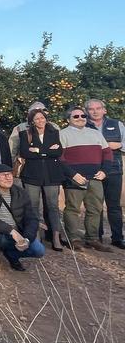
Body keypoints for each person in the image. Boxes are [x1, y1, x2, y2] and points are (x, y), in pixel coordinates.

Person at [0, 164, 45, 283]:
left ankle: (12, 255)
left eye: (10, 174)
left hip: (16, 234)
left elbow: (31, 218)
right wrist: (11, 231)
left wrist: (27, 238)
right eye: (4, 175)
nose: (9, 178)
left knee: (39, 250)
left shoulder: (20, 192)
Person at [59, 106, 113, 252]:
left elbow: (107, 154)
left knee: (95, 209)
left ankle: (92, 239)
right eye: (76, 116)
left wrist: (104, 171)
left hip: (95, 178)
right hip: (75, 178)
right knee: (72, 209)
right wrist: (73, 174)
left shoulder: (95, 134)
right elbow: (60, 158)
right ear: (68, 119)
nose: (80, 118)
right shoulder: (63, 134)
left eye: (83, 116)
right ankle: (74, 239)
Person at [18, 108, 67, 251]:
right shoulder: (25, 134)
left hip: (52, 175)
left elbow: (58, 152)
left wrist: (38, 150)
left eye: (42, 117)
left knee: (53, 206)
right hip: (32, 175)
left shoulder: (55, 132)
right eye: (37, 119)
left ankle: (56, 237)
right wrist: (47, 151)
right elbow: (25, 153)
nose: (40, 121)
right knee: (33, 206)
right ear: (32, 121)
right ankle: (36, 236)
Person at [85, 99, 125, 248]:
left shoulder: (117, 124)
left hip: (114, 170)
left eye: (98, 108)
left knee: (114, 206)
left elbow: (124, 145)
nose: (95, 111)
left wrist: (120, 144)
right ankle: (97, 237)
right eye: (91, 109)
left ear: (104, 110)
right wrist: (108, 145)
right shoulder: (84, 126)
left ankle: (117, 238)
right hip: (93, 171)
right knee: (95, 206)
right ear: (86, 112)